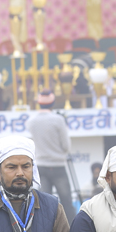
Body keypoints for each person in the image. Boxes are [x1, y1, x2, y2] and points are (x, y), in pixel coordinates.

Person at [28, 90, 77, 223]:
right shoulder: (58, 120)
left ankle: (46, 228)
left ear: (39, 103)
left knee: (44, 203)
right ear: (52, 103)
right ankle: (72, 228)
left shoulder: (31, 121)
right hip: (58, 165)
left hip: (41, 165)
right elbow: (66, 146)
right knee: (66, 202)